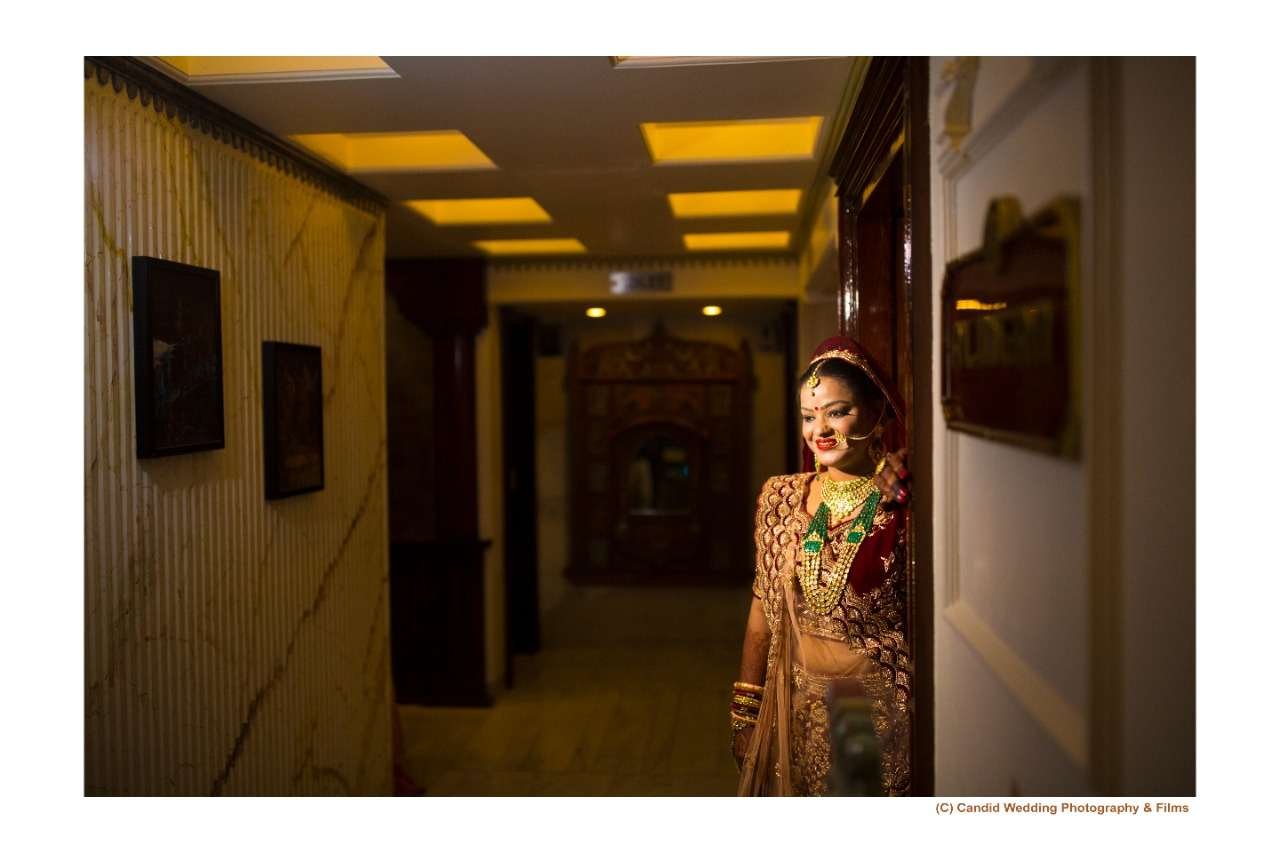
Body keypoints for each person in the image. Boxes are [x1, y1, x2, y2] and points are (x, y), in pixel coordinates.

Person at [733, 336, 912, 796]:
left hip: (873, 718)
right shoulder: (781, 497)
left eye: (837, 412)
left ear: (878, 412)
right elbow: (762, 607)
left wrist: (910, 470)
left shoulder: (901, 504)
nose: (821, 431)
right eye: (809, 416)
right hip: (791, 709)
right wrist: (746, 712)